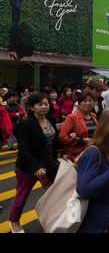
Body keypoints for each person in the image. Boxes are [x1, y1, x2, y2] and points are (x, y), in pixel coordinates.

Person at [9, 93, 61, 233]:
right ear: (31, 107)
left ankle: (55, 221)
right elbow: (24, 149)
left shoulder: (50, 119)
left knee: (54, 194)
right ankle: (14, 222)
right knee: (21, 197)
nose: (44, 107)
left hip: (48, 165)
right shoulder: (26, 124)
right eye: (40, 104)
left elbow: (53, 142)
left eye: (46, 104)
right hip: (28, 167)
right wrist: (36, 167)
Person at [59, 92, 98, 162]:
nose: (88, 103)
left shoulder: (93, 116)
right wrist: (81, 141)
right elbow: (62, 137)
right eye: (85, 101)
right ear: (79, 103)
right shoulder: (72, 117)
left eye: (90, 101)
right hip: (77, 155)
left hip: (93, 153)